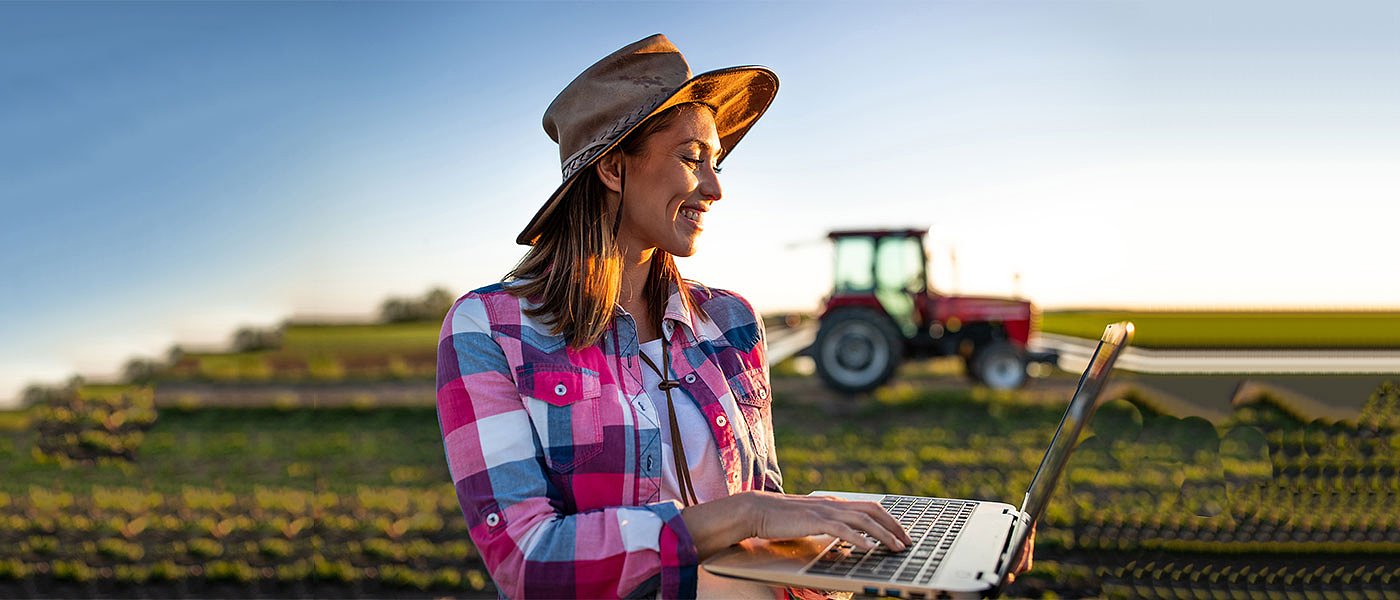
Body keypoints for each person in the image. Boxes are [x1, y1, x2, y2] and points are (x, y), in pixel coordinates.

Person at [436, 34, 1026, 599]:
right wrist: (741, 515)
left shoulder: (733, 320)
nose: (715, 189)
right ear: (613, 170)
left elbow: (768, 516)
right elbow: (527, 562)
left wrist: (900, 557)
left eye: (717, 162)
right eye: (693, 158)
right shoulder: (491, 329)